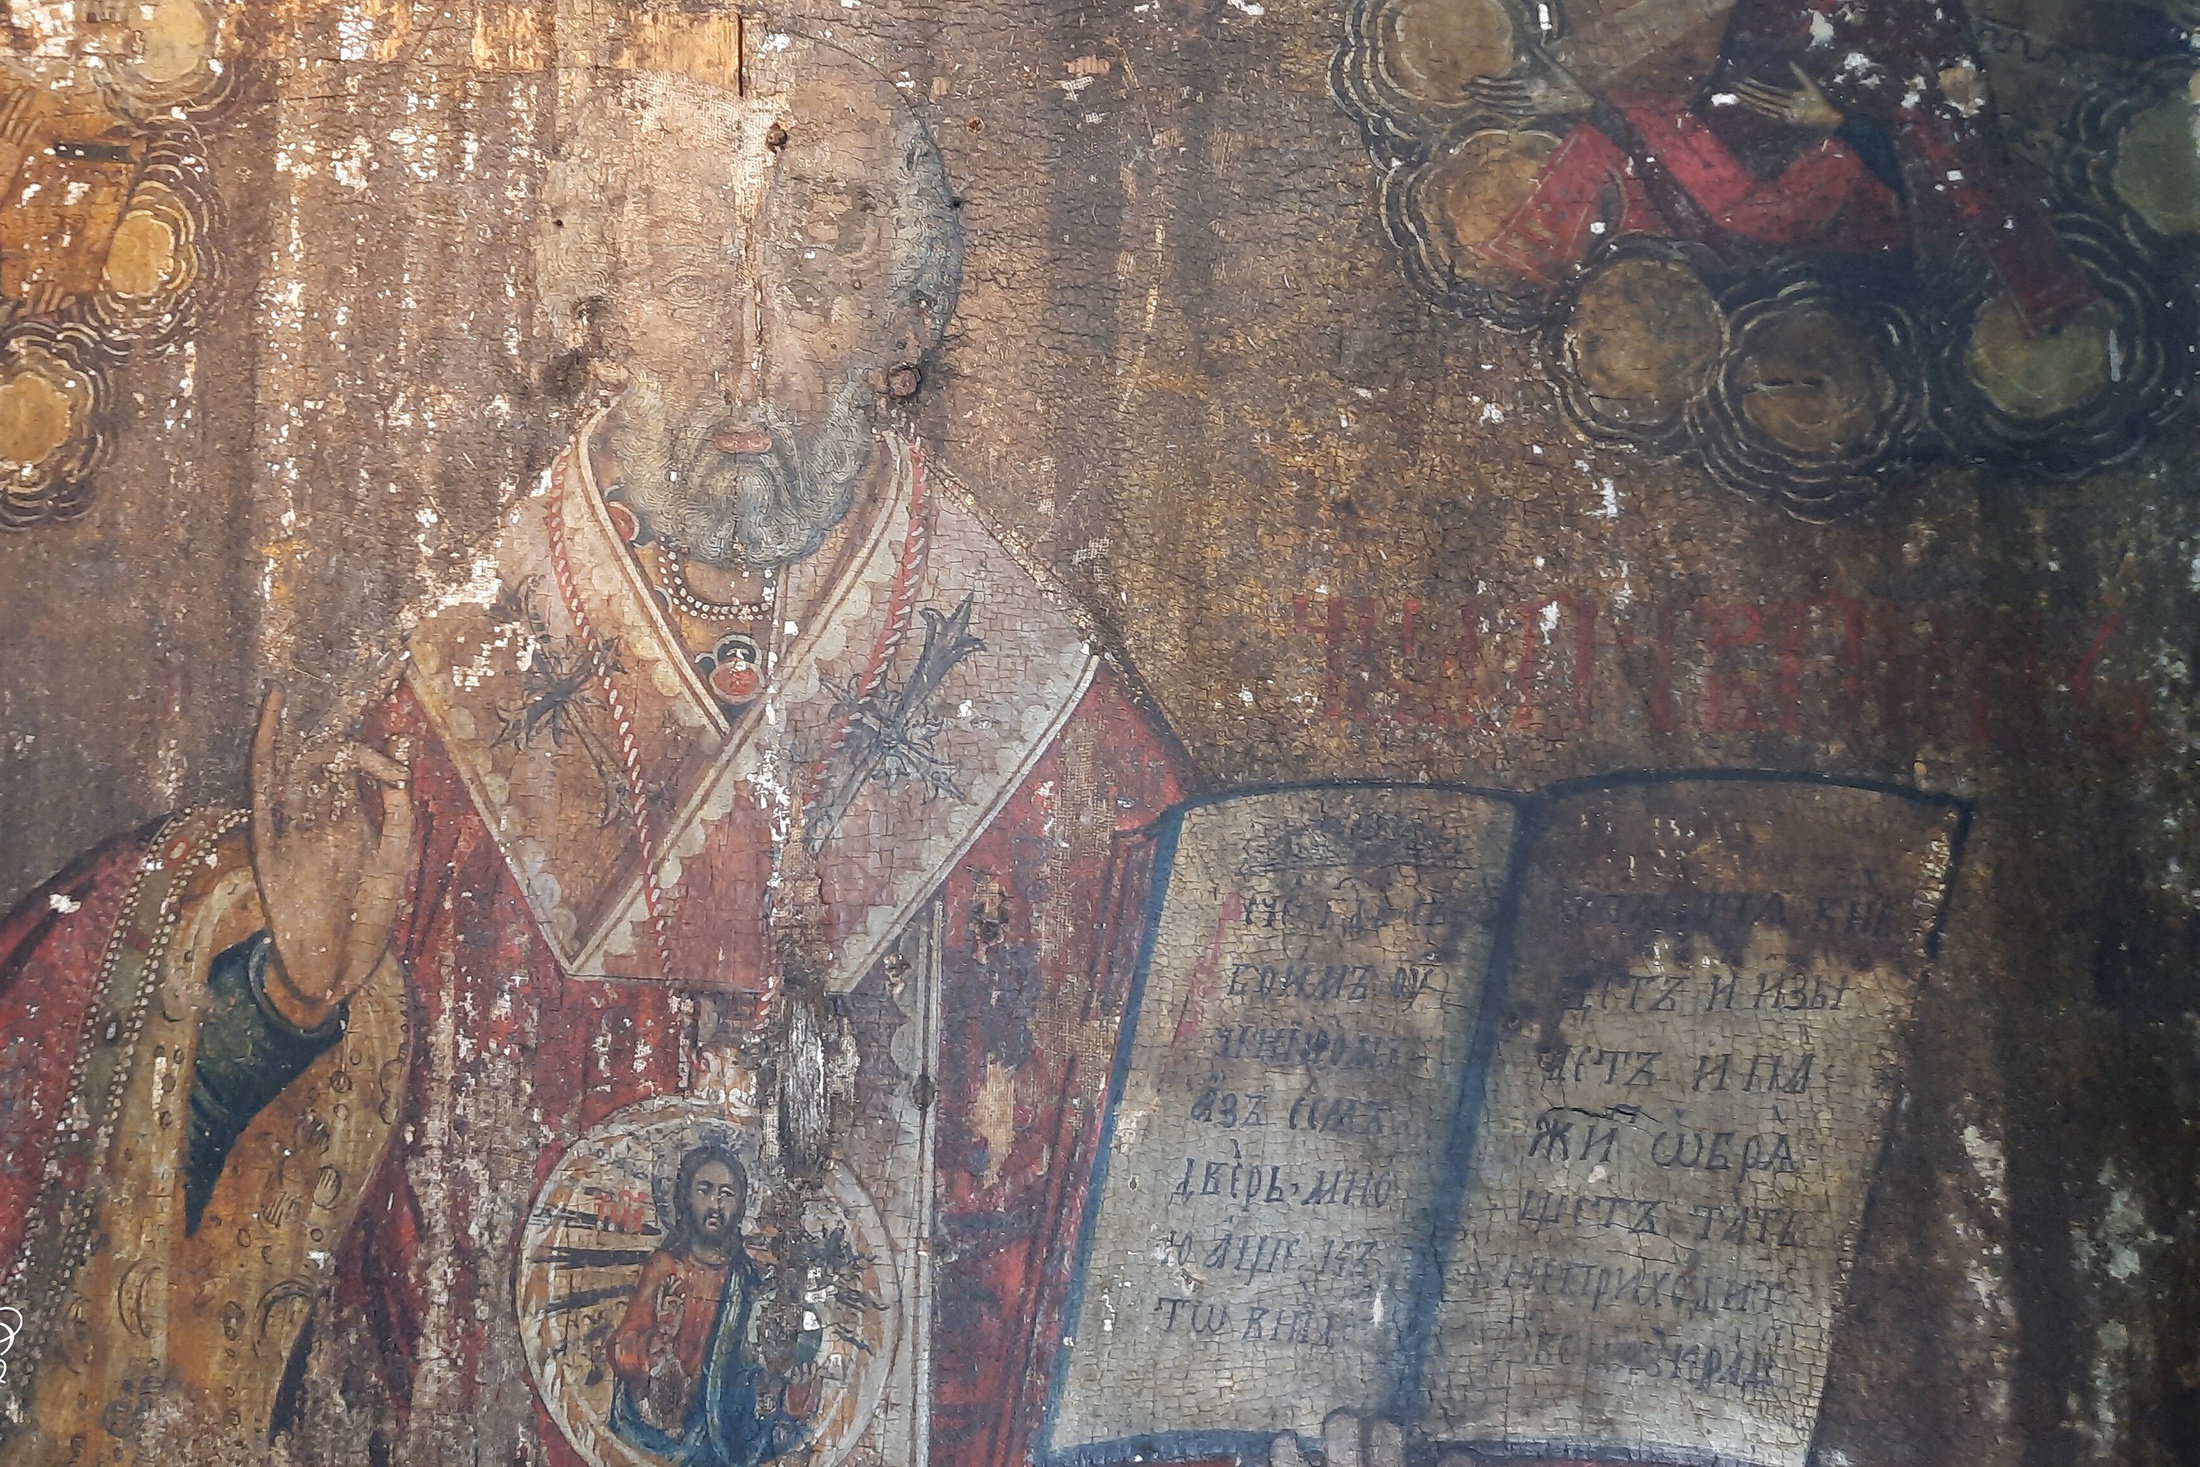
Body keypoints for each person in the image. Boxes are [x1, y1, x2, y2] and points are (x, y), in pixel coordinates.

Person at [0, 37, 1191, 1467]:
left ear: (908, 326)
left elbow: (1172, 1239)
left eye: (814, 275)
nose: (744, 351)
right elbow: (155, 1188)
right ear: (602, 322)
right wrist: (284, 997)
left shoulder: (1068, 752)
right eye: (688, 280)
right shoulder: (429, 726)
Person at [1479, 0, 2100, 334]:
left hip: (1845, 198)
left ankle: (1524, 273)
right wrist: (1590, 88)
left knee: (1618, 121)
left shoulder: (1914, 14)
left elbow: (1948, 134)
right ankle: (1521, 278)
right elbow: (1696, 67)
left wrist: (1838, 120)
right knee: (1610, 127)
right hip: (1738, 174)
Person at [608, 1146, 815, 1467]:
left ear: (740, 1205)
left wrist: (789, 1391)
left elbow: (754, 1368)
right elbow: (623, 1348)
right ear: (686, 1198)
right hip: (659, 1427)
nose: (715, 1204)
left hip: (723, 1432)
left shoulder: (747, 1280)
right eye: (704, 1190)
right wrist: (654, 1342)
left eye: (726, 1194)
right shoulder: (666, 1267)